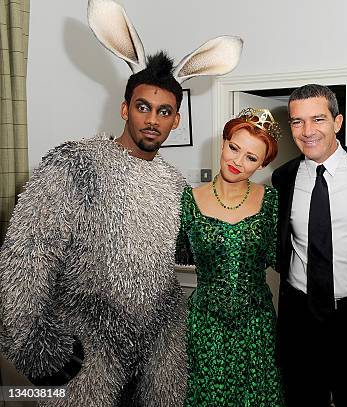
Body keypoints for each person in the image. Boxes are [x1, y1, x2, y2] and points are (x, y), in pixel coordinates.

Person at [0, 1, 242, 405]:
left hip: (157, 354)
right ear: (125, 108)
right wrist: (35, 344)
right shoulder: (75, 164)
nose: (152, 120)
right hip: (85, 352)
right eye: (144, 107)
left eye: (164, 112)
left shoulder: (173, 183)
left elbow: (175, 256)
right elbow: (27, 257)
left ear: (176, 120)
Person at [272, 84, 347, 407]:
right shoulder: (282, 179)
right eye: (297, 122)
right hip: (300, 319)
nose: (307, 131)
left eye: (318, 119)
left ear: (337, 122)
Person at [176, 108, 283, 406]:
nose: (237, 161)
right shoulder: (187, 201)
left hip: (256, 326)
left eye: (251, 157)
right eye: (234, 148)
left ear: (262, 163)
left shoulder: (272, 202)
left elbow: (286, 259)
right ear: (223, 143)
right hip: (205, 324)